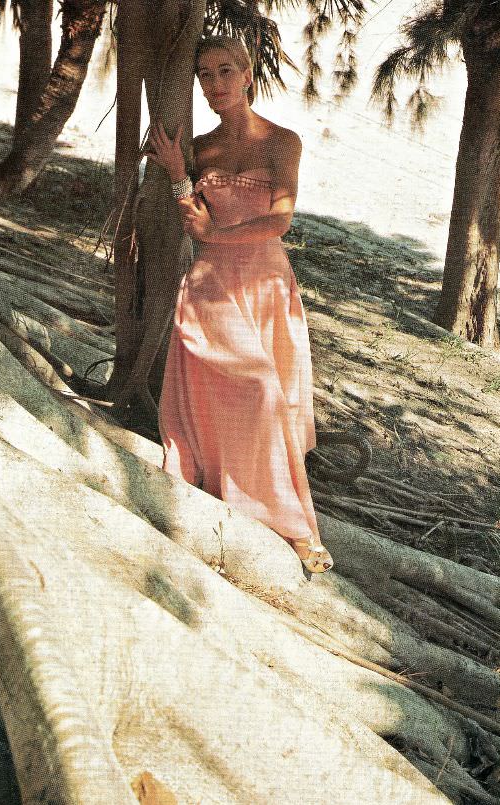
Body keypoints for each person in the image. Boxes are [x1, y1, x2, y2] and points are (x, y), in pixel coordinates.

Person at [148, 35, 333, 573]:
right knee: (240, 392)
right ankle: (237, 499)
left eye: (225, 71)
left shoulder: (282, 142)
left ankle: (291, 525)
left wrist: (212, 233)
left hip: (265, 283)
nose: (215, 84)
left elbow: (280, 220)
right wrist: (178, 173)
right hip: (210, 283)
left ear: (249, 73)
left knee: (266, 397)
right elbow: (193, 212)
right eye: (205, 75)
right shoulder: (203, 146)